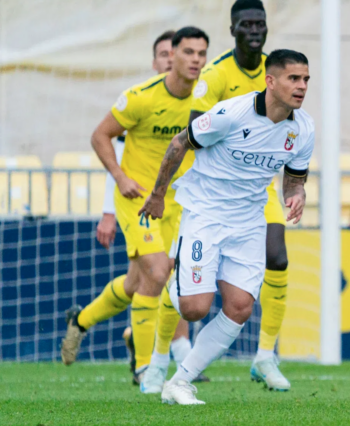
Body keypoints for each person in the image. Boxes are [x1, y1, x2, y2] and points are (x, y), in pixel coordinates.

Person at [139, 49, 313, 405]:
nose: (302, 86)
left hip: (249, 222)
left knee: (239, 307)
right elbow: (179, 143)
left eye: (306, 79)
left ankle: (181, 381)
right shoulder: (231, 113)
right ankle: (180, 285)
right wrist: (158, 195)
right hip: (204, 214)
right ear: (271, 81)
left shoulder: (303, 129)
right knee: (195, 308)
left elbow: (294, 180)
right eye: (294, 78)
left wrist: (296, 195)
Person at [61, 27, 209, 389]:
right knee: (158, 273)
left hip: (180, 202)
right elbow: (101, 136)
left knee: (137, 283)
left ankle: (81, 322)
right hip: (138, 200)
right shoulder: (140, 98)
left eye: (201, 53)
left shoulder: (206, 99)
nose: (194, 60)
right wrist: (118, 181)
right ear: (169, 55)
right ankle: (147, 368)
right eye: (186, 52)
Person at [178, 0, 293, 391]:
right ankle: (164, 350)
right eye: (246, 24)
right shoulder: (216, 75)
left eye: (260, 23)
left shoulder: (276, 72)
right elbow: (195, 130)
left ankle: (265, 356)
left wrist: (296, 186)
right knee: (194, 302)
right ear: (233, 30)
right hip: (217, 192)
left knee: (277, 256)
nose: (255, 30)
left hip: (258, 188)